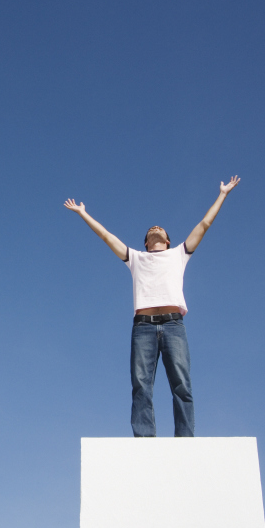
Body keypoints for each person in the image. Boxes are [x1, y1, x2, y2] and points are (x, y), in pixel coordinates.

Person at [64, 176, 240, 437]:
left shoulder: (179, 254)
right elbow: (105, 236)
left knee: (181, 384)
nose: (155, 228)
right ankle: (145, 440)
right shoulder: (135, 258)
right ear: (147, 242)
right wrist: (82, 213)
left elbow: (204, 224)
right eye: (151, 229)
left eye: (160, 228)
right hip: (143, 328)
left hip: (173, 325)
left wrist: (223, 194)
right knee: (141, 385)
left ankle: (185, 440)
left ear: (167, 241)